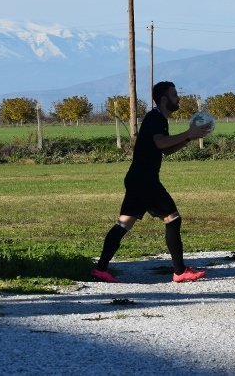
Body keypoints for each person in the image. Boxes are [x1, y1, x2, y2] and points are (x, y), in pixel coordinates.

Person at [91, 81, 212, 283]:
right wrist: (188, 133)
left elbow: (166, 149)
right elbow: (160, 142)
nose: (178, 98)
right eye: (174, 95)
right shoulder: (155, 117)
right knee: (173, 219)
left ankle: (100, 269)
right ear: (164, 99)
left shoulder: (159, 119)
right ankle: (180, 271)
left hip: (138, 179)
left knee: (124, 223)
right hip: (145, 180)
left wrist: (189, 138)